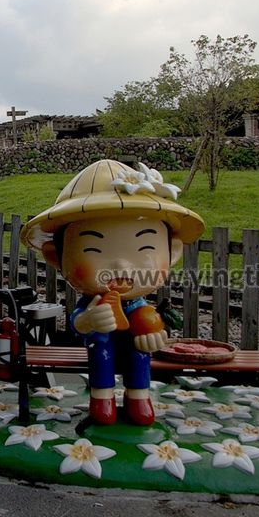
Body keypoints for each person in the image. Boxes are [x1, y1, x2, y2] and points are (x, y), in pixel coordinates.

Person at [20, 159, 204, 426]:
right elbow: (77, 322)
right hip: (100, 344)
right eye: (94, 250)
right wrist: (87, 321)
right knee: (100, 348)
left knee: (140, 350)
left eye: (144, 249)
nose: (121, 265)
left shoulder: (140, 307)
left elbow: (155, 328)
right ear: (56, 257)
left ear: (172, 252)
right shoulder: (94, 301)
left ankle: (139, 397)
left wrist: (156, 334)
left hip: (134, 343)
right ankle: (101, 398)